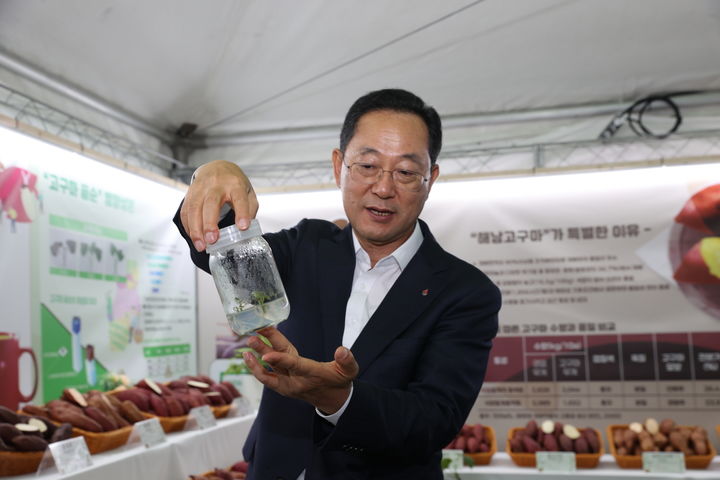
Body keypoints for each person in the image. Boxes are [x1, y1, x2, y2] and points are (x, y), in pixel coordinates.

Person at [174, 89, 500, 480]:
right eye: (367, 165)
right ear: (338, 166)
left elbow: (433, 418)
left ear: (430, 179)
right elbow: (221, 249)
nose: (383, 187)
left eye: (406, 172)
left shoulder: (464, 292)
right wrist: (213, 174)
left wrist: (339, 399)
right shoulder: (307, 247)